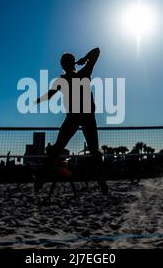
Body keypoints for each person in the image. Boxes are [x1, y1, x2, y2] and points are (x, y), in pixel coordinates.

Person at [35, 47, 108, 194]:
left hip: (78, 116)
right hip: (82, 116)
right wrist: (85, 58)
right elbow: (96, 52)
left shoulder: (66, 78)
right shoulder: (82, 73)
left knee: (58, 149)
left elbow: (49, 95)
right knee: (94, 151)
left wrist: (36, 100)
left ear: (63, 65)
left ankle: (41, 179)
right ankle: (101, 181)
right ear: (73, 63)